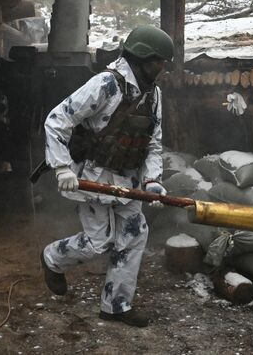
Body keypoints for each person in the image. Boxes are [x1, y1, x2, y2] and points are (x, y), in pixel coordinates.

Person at [40, 26, 174, 327]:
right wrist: (61, 167)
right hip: (92, 176)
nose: (162, 67)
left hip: (127, 181)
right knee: (97, 243)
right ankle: (52, 258)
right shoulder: (105, 84)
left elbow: (152, 142)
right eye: (158, 61)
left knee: (133, 235)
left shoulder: (153, 95)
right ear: (140, 57)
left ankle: (116, 306)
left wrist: (153, 180)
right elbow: (56, 120)